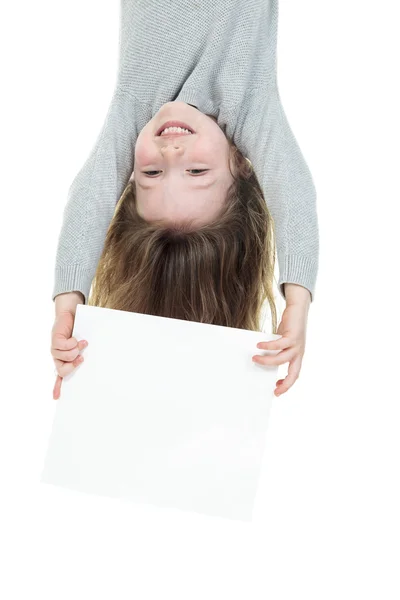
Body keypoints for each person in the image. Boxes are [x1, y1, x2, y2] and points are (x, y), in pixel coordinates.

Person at [51, 0, 319, 400]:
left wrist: (68, 303)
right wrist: (297, 301)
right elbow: (292, 190)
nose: (171, 153)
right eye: (196, 173)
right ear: (243, 166)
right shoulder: (248, 102)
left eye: (151, 174)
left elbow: (91, 196)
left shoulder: (134, 109)